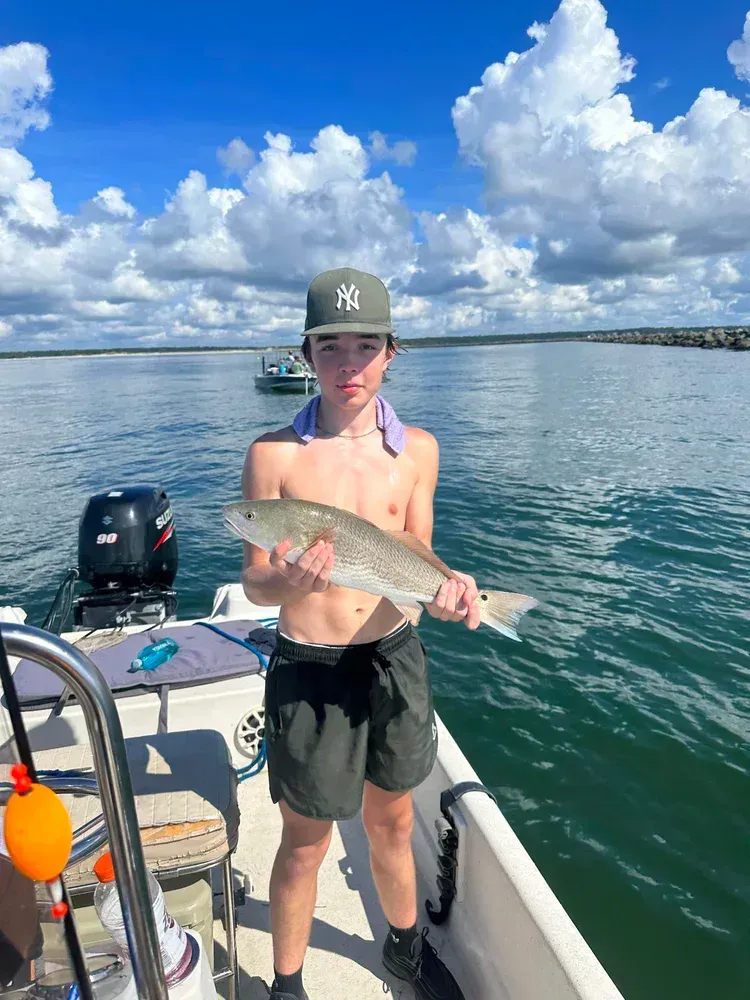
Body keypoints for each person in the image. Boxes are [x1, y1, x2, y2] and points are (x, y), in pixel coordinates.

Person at [241, 266, 479, 1000]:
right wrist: (291, 581)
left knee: (393, 819)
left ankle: (405, 948)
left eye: (366, 346)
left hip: (394, 657)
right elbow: (255, 580)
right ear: (307, 355)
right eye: (332, 347)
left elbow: (417, 546)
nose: (350, 364)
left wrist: (452, 586)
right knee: (306, 840)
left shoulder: (419, 451)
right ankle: (287, 983)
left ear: (391, 353)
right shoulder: (272, 455)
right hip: (310, 667)